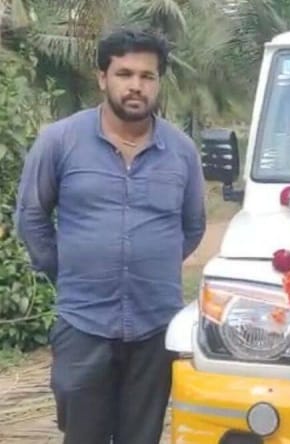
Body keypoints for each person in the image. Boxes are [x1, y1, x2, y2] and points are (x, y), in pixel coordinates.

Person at [14, 28, 206, 444]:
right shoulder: (60, 141)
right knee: (82, 434)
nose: (136, 85)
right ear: (103, 78)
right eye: (124, 73)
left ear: (158, 82)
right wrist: (67, 271)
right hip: (83, 322)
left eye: (147, 76)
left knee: (142, 436)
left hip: (155, 325)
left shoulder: (182, 151)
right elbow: (31, 216)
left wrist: (148, 264)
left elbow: (192, 227)